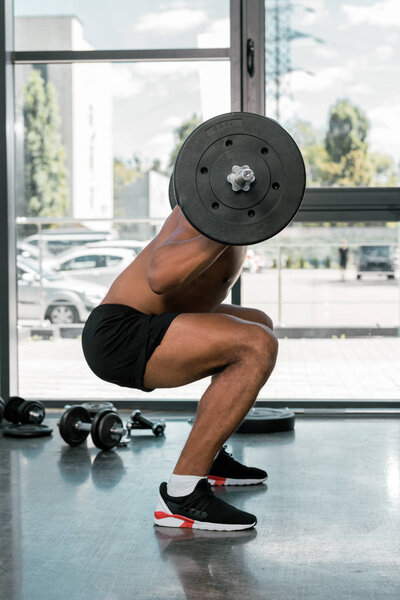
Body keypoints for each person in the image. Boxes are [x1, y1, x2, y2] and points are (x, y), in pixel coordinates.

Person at [82, 206, 278, 531]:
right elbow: (160, 277)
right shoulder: (200, 210)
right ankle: (182, 495)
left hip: (150, 324)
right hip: (121, 333)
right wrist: (223, 227)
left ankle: (210, 457)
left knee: (258, 324)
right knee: (256, 344)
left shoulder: (234, 213)